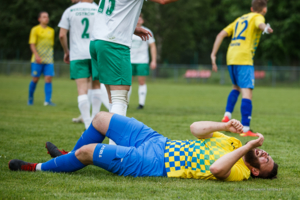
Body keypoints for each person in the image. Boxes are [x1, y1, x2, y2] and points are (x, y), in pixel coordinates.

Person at [9, 111, 278, 181]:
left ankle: (37, 168)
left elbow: (216, 169)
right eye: (267, 155)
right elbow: (195, 129)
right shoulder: (231, 141)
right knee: (101, 119)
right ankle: (66, 158)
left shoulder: (239, 169)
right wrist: (225, 126)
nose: (264, 155)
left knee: (86, 153)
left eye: (265, 162)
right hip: (157, 141)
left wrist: (246, 148)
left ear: (255, 172)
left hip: (151, 163)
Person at [89, 0, 177, 144]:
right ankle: (114, 152)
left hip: (97, 41)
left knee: (113, 100)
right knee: (119, 100)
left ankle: (87, 150)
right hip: (114, 43)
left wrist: (133, 29)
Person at [210, 0, 273, 137]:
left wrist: (213, 55)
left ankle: (227, 116)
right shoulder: (258, 16)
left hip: (231, 56)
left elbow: (220, 34)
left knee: (236, 87)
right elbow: (260, 24)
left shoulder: (240, 19)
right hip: (244, 57)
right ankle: (245, 129)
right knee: (247, 92)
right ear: (264, 10)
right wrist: (266, 28)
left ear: (251, 8)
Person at [58, 0, 110, 129]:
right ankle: (95, 121)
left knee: (82, 90)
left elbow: (62, 35)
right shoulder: (99, 9)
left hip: (77, 55)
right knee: (96, 85)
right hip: (95, 52)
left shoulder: (70, 11)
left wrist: (66, 51)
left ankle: (87, 124)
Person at [127, 14, 157, 109]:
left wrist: (154, 60)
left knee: (141, 81)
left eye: (140, 19)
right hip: (129, 60)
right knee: (128, 82)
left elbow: (152, 46)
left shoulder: (147, 31)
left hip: (142, 60)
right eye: (137, 19)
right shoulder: (129, 30)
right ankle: (125, 103)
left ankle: (141, 104)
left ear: (142, 21)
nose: (138, 21)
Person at [28, 11, 55, 106]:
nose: (46, 18)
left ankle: (47, 101)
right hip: (37, 59)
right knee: (35, 79)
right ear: (39, 19)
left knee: (48, 79)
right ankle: (30, 98)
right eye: (44, 17)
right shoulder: (35, 29)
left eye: (47, 17)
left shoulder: (51, 30)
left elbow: (51, 45)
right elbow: (32, 44)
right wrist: (36, 55)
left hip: (48, 60)